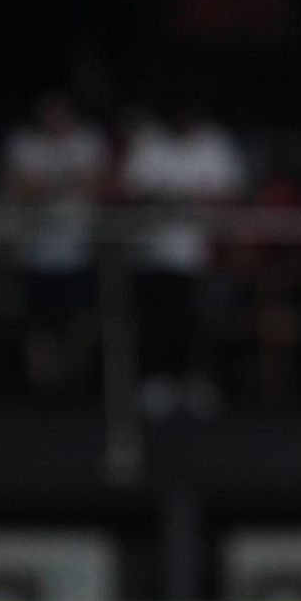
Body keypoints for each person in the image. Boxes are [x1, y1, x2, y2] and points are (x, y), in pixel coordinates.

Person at [120, 102, 248, 417]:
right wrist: (172, 199)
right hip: (154, 254)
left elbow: (231, 196)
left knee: (201, 320)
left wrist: (185, 201)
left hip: (204, 257)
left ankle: (197, 380)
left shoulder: (214, 144)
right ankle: (158, 380)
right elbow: (131, 193)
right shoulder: (148, 143)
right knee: (158, 318)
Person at [0, 92, 109, 395]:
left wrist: (47, 185)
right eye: (49, 111)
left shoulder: (88, 141)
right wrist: (67, 183)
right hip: (35, 253)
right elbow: (20, 188)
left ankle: (77, 384)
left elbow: (97, 183)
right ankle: (43, 387)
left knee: (79, 322)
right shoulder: (24, 145)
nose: (54, 118)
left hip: (78, 251)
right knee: (40, 326)